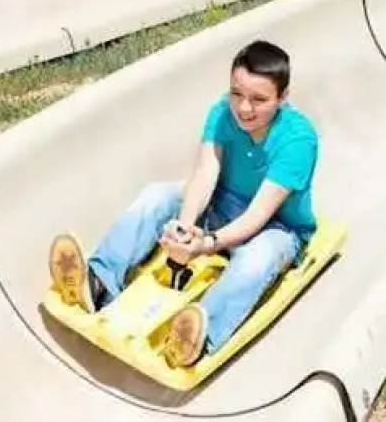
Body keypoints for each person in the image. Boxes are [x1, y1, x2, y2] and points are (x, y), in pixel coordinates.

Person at [48, 39, 319, 369]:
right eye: (237, 93)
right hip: (220, 202)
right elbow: (206, 172)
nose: (244, 108)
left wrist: (206, 245)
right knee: (157, 196)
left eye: (259, 100)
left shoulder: (298, 140)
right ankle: (99, 281)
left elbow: (258, 214)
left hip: (275, 225)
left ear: (283, 98)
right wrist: (184, 228)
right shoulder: (223, 112)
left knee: (256, 260)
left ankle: (197, 336)